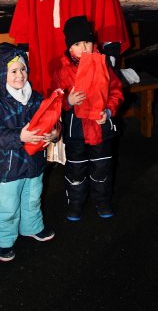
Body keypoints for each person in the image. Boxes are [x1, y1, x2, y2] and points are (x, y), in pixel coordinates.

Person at [0, 42, 59, 262]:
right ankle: (4, 241)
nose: (20, 75)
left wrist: (54, 133)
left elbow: (51, 118)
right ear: (0, 75)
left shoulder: (35, 98)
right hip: (9, 167)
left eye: (23, 69)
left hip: (34, 163)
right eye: (13, 71)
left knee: (33, 198)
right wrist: (19, 137)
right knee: (8, 206)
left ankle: (32, 227)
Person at [52, 15, 124, 221]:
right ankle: (75, 204)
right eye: (77, 44)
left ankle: (102, 201)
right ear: (69, 48)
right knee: (75, 170)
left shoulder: (104, 65)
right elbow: (54, 98)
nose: (84, 48)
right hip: (76, 132)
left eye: (88, 42)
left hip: (102, 130)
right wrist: (68, 100)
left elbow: (116, 92)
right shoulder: (62, 70)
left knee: (102, 168)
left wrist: (109, 111)